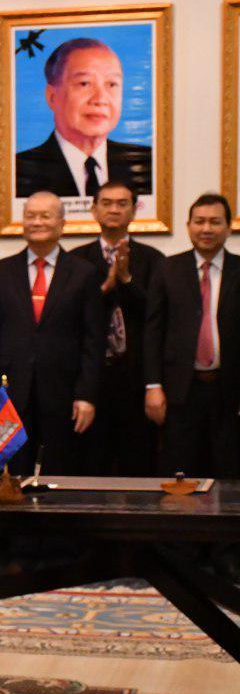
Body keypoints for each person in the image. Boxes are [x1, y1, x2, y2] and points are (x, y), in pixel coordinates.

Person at [145, 194, 240, 580]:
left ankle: (226, 554)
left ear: (228, 227)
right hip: (180, 391)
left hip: (229, 392)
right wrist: (153, 385)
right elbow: (153, 332)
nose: (206, 228)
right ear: (188, 226)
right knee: (181, 473)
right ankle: (182, 553)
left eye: (215, 222)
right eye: (199, 221)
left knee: (228, 472)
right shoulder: (168, 269)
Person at [0, 192, 104, 478]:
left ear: (62, 223)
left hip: (64, 393)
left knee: (61, 473)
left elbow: (93, 341)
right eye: (30, 216)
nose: (37, 222)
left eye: (45, 216)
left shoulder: (84, 273)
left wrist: (86, 395)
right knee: (5, 474)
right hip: (7, 393)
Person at [72, 181, 163, 475]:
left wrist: (126, 280)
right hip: (90, 376)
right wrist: (103, 288)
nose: (114, 209)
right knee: (89, 463)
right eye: (107, 203)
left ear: (134, 211)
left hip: (135, 377)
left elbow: (157, 316)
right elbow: (68, 316)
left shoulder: (153, 259)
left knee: (139, 463)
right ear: (93, 209)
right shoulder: (76, 260)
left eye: (122, 204)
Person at [16, 38, 152, 198]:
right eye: (84, 83)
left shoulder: (147, 163)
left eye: (111, 84)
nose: (100, 99)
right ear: (52, 96)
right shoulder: (20, 171)